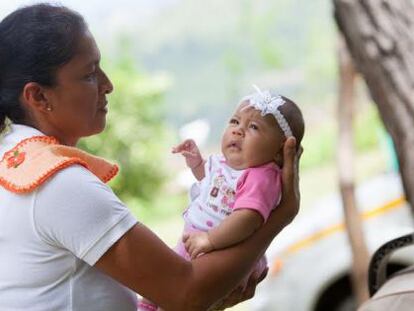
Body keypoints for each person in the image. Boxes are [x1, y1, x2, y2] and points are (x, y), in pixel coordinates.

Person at [0, 4, 301, 311]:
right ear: (38, 96)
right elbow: (186, 293)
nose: (108, 84)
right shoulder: (56, 183)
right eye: (90, 74)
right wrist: (280, 215)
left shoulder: (15, 164)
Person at [138, 88, 304, 310]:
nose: (238, 131)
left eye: (253, 127)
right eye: (235, 122)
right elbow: (214, 186)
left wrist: (210, 240)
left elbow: (248, 218)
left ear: (279, 151)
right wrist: (197, 164)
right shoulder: (227, 167)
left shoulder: (261, 176)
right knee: (160, 283)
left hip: (222, 249)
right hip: (198, 244)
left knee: (174, 289)